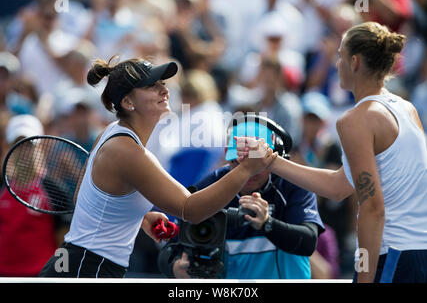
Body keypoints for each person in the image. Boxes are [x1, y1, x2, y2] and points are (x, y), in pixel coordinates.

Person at [39, 56, 277, 278]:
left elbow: (87, 197)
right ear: (127, 102)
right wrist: (245, 170)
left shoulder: (112, 134)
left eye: (162, 83)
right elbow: (191, 209)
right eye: (151, 86)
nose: (164, 90)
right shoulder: (128, 152)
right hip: (87, 268)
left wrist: (139, 215)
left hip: (77, 264)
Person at [236, 21, 427, 283]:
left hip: (391, 256)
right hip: (417, 254)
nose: (337, 63)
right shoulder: (406, 109)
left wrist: (364, 277)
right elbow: (339, 186)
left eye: (340, 56)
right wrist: (271, 161)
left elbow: (372, 207)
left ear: (355, 62)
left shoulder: (356, 120)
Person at [157, 115, 325, 279]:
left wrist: (267, 223)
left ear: (276, 159)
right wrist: (176, 267)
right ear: (227, 158)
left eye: (256, 162)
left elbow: (308, 242)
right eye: (238, 162)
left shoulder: (293, 184)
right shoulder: (211, 183)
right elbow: (170, 248)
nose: (247, 170)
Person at [0, 114, 69, 276]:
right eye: (18, 144)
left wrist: (63, 275)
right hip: (4, 275)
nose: (24, 151)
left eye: (29, 144)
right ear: (8, 147)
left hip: (41, 276)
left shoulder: (55, 190)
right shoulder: (2, 189)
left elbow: (65, 240)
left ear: (40, 148)